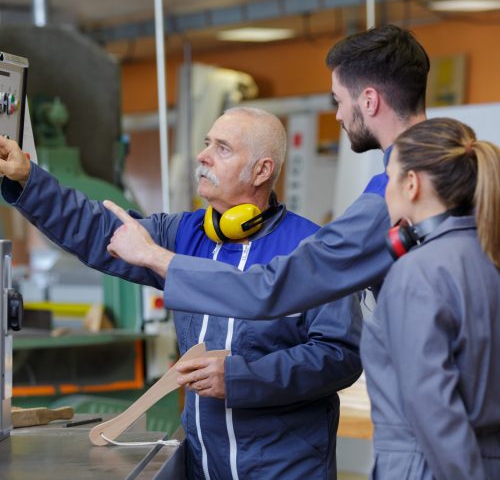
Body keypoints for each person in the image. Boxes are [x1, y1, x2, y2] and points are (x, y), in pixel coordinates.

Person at [0, 107, 363, 479]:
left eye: (222, 148)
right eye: (207, 143)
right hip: (204, 465)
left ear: (261, 171)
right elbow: (97, 231)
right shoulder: (185, 236)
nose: (203, 156)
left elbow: (340, 356)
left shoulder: (311, 250)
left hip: (286, 469)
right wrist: (29, 181)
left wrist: (240, 377)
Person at [64, 24, 429, 321]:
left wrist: (156, 257)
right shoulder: (451, 169)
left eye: (339, 102)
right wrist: (27, 180)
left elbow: (268, 290)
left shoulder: (395, 194)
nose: (337, 116)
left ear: (369, 101)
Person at [363, 117, 500, 479]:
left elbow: (434, 409)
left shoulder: (416, 273)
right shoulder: (490, 258)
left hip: (429, 467)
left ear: (411, 184)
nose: (386, 190)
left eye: (390, 178)